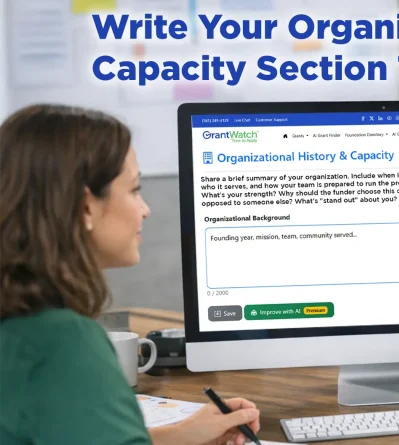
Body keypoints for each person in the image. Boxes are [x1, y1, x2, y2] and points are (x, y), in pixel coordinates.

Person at [0, 104, 260, 445]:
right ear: (86, 206)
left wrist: (178, 436)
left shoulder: (20, 324)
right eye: (135, 190)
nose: (146, 210)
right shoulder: (64, 343)